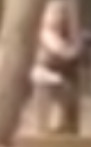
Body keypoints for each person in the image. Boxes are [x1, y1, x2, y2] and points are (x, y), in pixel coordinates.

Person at [31, 0, 82, 133]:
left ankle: (63, 121)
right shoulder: (45, 33)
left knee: (64, 86)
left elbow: (71, 50)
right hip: (42, 66)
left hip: (55, 63)